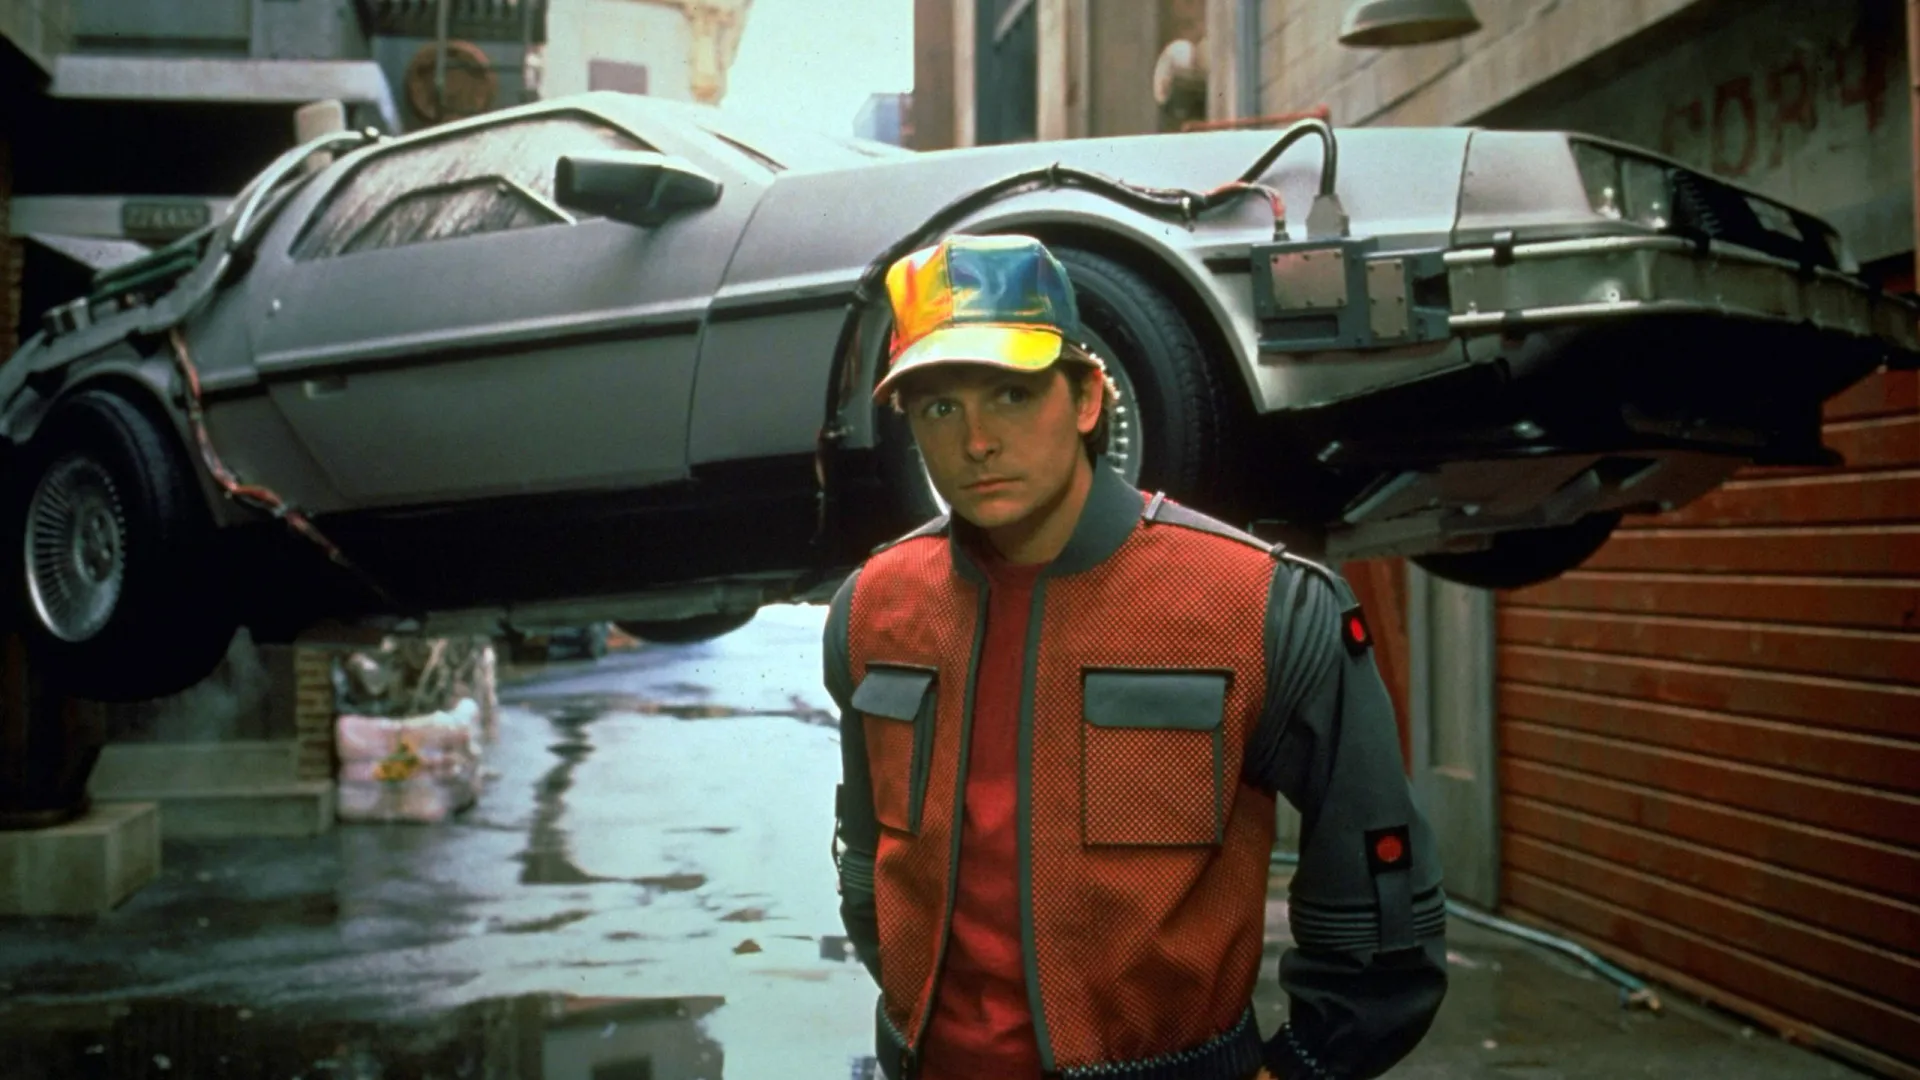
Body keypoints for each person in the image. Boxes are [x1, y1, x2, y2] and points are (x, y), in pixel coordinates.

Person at [825, 233, 1447, 1080]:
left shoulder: (1259, 604)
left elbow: (1379, 901)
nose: (976, 441)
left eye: (1011, 393)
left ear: (1086, 398)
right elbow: (870, 865)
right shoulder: (874, 609)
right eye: (939, 407)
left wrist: (1303, 1065)